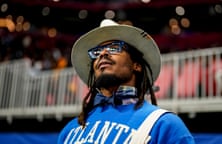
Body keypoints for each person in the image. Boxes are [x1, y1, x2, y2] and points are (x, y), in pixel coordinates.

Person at [58, 19, 195, 144]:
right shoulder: (70, 129)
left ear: (136, 65)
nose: (102, 54)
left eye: (114, 47)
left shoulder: (165, 125)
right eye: (97, 52)